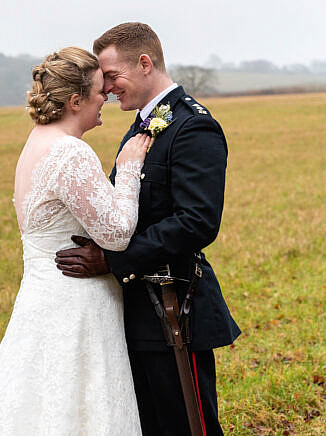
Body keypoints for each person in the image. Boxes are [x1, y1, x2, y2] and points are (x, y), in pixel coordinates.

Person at [55, 23, 241, 436]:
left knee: (187, 426)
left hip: (175, 309)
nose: (105, 90)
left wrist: (112, 259)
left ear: (144, 63)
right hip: (137, 310)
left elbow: (198, 222)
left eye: (111, 77)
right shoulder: (144, 123)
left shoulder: (193, 127)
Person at [0, 47, 150, 435]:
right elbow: (118, 233)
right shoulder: (70, 152)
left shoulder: (36, 142)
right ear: (75, 101)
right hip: (76, 304)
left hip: (39, 300)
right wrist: (129, 169)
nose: (106, 96)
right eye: (98, 91)